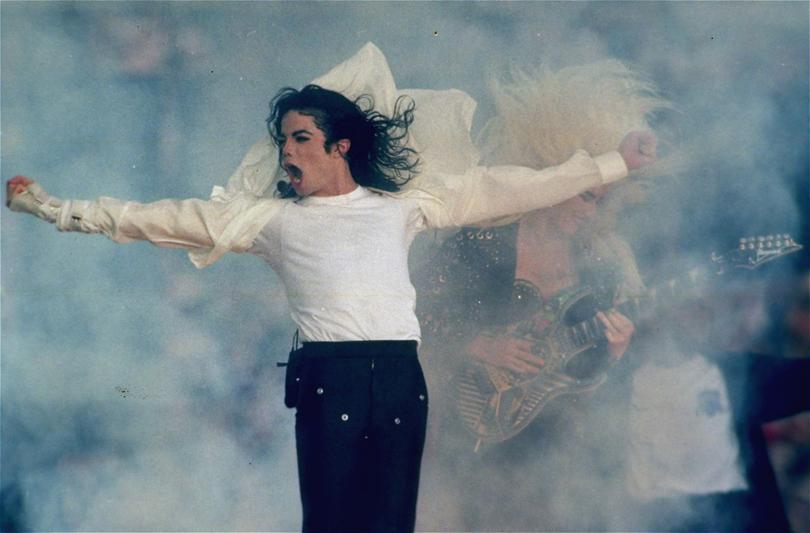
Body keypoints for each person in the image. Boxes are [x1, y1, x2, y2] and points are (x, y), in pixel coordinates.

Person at [5, 45, 655, 532]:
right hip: (331, 377)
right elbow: (153, 218)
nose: (287, 151)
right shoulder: (268, 219)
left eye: (301, 138)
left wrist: (613, 162)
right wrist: (53, 208)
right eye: (282, 139)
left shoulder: (403, 206)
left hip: (401, 376)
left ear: (339, 145)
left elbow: (507, 187)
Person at [415, 60, 664, 531]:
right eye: (587, 195)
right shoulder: (480, 242)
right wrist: (477, 343)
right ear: (556, 176)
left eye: (606, 201)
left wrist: (616, 353)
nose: (593, 212)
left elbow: (591, 381)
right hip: (466, 441)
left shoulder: (605, 266)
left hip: (557, 453)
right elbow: (412, 315)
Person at [624, 271, 810, 532]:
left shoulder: (734, 372)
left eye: (704, 307)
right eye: (691, 307)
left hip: (733, 512)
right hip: (657, 518)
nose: (702, 315)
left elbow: (802, 382)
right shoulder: (619, 383)